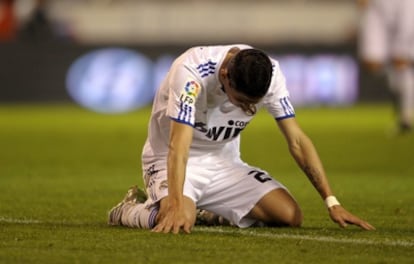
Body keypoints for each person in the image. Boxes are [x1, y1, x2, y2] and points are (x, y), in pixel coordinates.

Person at [108, 44, 375, 233]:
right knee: (178, 219)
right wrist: (176, 204)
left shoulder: (269, 73)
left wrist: (332, 201)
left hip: (225, 163)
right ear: (225, 76)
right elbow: (179, 146)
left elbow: (297, 141)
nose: (248, 110)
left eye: (253, 104)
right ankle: (129, 210)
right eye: (242, 102)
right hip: (173, 160)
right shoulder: (190, 74)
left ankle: (209, 213)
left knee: (289, 215)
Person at [358, 0, 414, 133]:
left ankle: (406, 116)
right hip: (377, 5)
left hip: (405, 4)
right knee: (372, 63)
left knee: (401, 59)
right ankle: (402, 109)